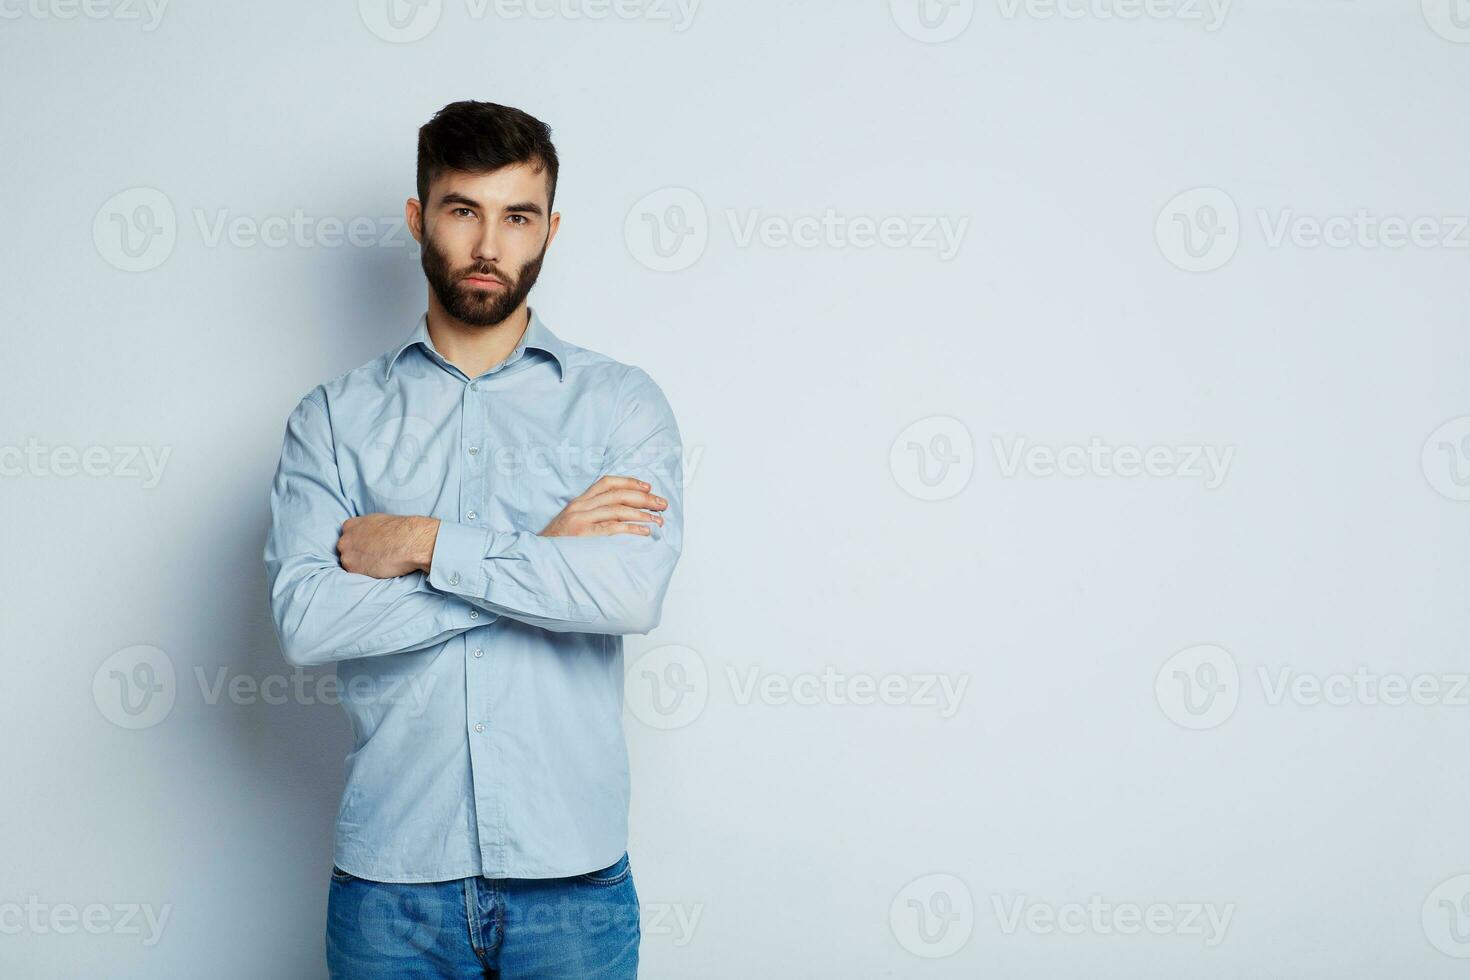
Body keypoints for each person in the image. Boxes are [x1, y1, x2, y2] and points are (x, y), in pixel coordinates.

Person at [262, 100, 683, 978]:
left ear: (550, 231)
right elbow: (308, 622)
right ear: (420, 219)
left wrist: (423, 542)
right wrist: (541, 555)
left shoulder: (620, 406)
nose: (490, 243)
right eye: (464, 210)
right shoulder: (335, 419)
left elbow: (626, 593)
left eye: (517, 215)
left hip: (574, 887)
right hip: (389, 886)